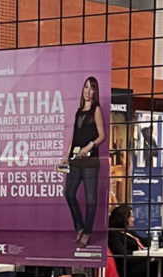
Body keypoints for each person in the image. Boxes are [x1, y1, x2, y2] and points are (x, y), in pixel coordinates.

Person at [61, 76, 106, 246]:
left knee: (91, 199)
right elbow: (74, 136)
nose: (87, 91)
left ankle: (87, 232)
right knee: (69, 194)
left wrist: (90, 146)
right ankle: (79, 226)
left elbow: (102, 136)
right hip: (75, 160)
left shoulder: (96, 110)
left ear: (95, 91)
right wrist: (66, 154)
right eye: (85, 87)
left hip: (90, 161)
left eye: (91, 88)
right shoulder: (79, 111)